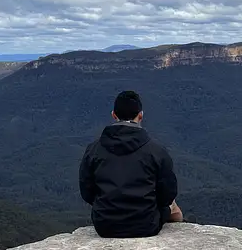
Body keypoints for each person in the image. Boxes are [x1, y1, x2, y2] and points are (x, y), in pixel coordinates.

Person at [78, 90, 184, 238]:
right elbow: (167, 194)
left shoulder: (93, 149)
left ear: (114, 115)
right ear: (140, 115)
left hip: (105, 225)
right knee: (173, 205)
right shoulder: (156, 150)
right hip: (146, 225)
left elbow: (86, 191)